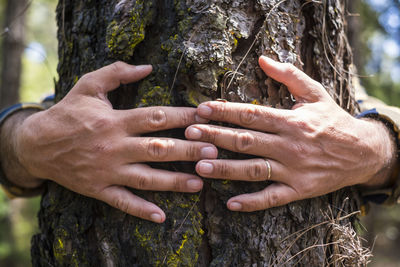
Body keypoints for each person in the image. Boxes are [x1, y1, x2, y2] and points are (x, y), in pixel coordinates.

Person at [0, 56, 399, 224]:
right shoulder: (75, 95)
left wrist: (374, 147)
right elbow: (26, 127)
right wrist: (24, 142)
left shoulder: (348, 94)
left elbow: (384, 125)